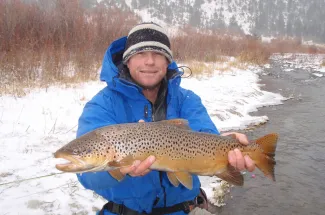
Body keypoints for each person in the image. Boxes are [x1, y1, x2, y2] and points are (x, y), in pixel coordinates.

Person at [76, 22, 255, 215]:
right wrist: (118, 169)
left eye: (158, 54)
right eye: (140, 53)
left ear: (167, 61)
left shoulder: (187, 100)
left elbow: (205, 134)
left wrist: (225, 144)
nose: (150, 61)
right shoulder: (102, 105)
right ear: (127, 60)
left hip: (185, 210)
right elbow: (86, 173)